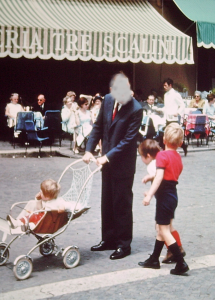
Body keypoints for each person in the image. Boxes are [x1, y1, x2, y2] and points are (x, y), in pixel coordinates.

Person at [82, 73, 143, 260]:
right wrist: (89, 150)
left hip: (122, 163)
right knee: (107, 201)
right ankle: (108, 239)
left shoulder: (136, 109)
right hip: (106, 160)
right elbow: (98, 127)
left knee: (121, 204)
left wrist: (106, 157)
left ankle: (124, 244)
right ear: (112, 91)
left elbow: (128, 141)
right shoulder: (107, 100)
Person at [138, 123, 189, 275]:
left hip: (164, 197)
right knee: (162, 228)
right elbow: (168, 175)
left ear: (164, 140)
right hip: (172, 195)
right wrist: (150, 176)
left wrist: (149, 195)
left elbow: (160, 177)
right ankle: (154, 259)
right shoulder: (177, 157)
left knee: (164, 230)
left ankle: (181, 262)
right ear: (180, 143)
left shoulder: (162, 155)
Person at [158, 78, 187, 155]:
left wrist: (177, 112)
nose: (164, 87)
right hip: (167, 118)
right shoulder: (165, 95)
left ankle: (183, 146)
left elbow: (182, 105)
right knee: (165, 135)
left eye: (165, 85)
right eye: (164, 85)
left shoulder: (176, 94)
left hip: (173, 118)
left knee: (173, 135)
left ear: (170, 85)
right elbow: (166, 106)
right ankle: (167, 151)